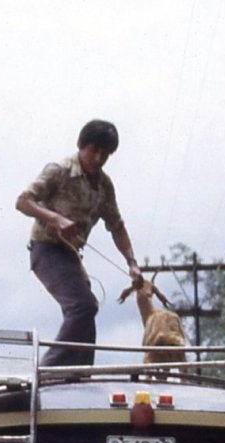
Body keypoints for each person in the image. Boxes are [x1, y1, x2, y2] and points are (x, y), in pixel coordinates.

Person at [16, 119, 142, 367]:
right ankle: (47, 370)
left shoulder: (105, 186)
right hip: (47, 249)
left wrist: (132, 263)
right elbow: (22, 201)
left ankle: (80, 373)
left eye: (105, 154)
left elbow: (117, 226)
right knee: (82, 306)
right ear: (81, 146)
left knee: (88, 308)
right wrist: (55, 218)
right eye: (94, 150)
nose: (98, 158)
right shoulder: (59, 171)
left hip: (72, 256)